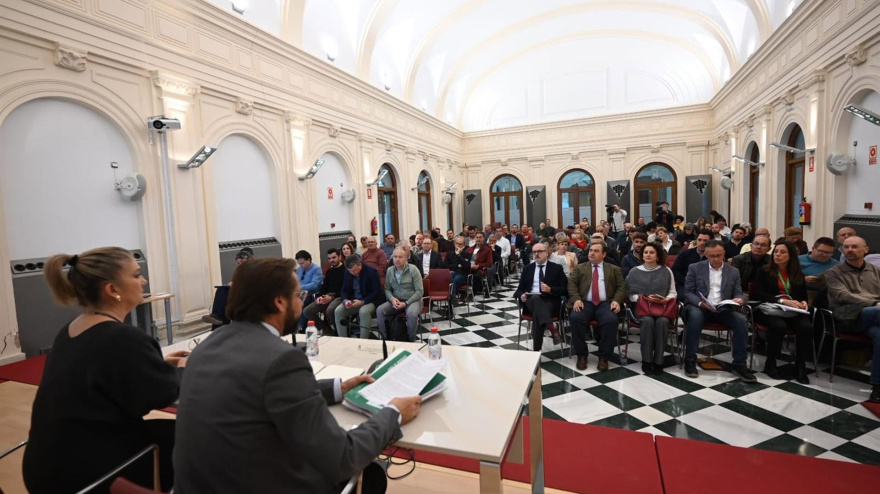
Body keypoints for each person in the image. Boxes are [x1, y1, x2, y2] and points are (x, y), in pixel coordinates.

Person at [173, 258, 421, 493]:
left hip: (200, 485)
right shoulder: (282, 360)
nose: (301, 304)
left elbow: (261, 393)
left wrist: (339, 388)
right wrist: (393, 413)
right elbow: (342, 457)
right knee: (371, 474)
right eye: (298, 296)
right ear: (280, 302)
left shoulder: (206, 345)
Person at [24, 247, 186, 494]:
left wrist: (156, 366)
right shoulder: (123, 338)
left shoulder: (71, 330)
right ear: (112, 289)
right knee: (195, 436)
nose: (143, 281)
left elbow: (103, 375)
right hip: (93, 476)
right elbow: (161, 396)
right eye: (136, 275)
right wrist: (183, 370)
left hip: (46, 467)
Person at [682, 240, 756, 382]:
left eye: (719, 255)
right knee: (695, 318)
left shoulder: (733, 271)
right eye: (712, 256)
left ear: (724, 254)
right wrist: (700, 303)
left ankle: (739, 364)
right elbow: (688, 292)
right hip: (700, 307)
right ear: (706, 255)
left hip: (722, 308)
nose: (716, 259)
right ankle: (690, 360)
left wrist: (739, 299)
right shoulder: (695, 268)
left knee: (741, 320)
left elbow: (738, 291)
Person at [826, 236, 880, 403]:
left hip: (874, 319)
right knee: (875, 311)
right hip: (848, 317)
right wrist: (874, 302)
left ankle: (877, 386)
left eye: (854, 246)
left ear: (866, 249)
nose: (849, 250)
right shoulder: (834, 272)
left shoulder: (875, 270)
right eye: (846, 247)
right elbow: (844, 296)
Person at [752, 242, 813, 384]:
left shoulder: (797, 274)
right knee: (779, 326)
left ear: (791, 256)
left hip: (791, 310)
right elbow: (758, 294)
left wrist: (804, 303)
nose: (777, 255)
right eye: (776, 252)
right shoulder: (763, 271)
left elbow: (803, 295)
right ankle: (770, 363)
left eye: (782, 252)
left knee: (806, 327)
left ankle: (800, 365)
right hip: (768, 309)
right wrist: (781, 301)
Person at [568, 243, 626, 371]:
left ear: (603, 254)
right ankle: (581, 355)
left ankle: (604, 357)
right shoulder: (580, 268)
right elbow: (572, 284)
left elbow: (621, 287)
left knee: (611, 320)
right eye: (590, 250)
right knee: (575, 318)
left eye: (596, 251)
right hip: (585, 302)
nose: (592, 253)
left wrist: (616, 301)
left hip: (605, 303)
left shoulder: (614, 269)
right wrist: (576, 299)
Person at [626, 242, 676, 375]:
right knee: (647, 321)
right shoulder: (634, 271)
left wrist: (665, 299)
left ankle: (659, 361)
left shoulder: (666, 270)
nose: (648, 255)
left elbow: (673, 292)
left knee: (662, 322)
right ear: (642, 255)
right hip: (642, 308)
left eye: (652, 252)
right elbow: (629, 294)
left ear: (658, 256)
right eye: (646, 252)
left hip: (662, 308)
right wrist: (643, 299)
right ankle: (647, 360)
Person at [514, 243, 568, 350]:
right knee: (535, 298)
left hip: (551, 302)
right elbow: (518, 290)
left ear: (547, 253)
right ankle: (553, 330)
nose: (536, 254)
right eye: (534, 252)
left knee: (537, 314)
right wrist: (521, 295)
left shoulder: (556, 268)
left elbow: (565, 289)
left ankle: (536, 351)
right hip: (530, 301)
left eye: (539, 251)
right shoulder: (528, 268)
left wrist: (550, 289)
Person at [377, 248, 424, 342]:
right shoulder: (390, 270)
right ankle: (384, 338)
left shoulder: (413, 269)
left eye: (400, 257)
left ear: (406, 258)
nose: (397, 259)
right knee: (380, 310)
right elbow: (387, 289)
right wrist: (392, 299)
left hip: (412, 300)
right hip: (396, 300)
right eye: (395, 257)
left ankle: (411, 339)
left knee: (411, 314)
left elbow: (419, 291)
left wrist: (406, 303)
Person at [202, 247, 256, 327]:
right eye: (238, 263)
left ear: (250, 259)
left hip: (252, 295)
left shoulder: (257, 269)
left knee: (227, 297)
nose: (240, 265)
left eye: (242, 262)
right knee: (222, 290)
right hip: (240, 294)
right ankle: (217, 317)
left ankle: (219, 320)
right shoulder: (240, 272)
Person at [334, 255, 383, 339]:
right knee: (338, 311)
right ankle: (343, 339)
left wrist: (363, 302)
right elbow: (344, 290)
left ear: (360, 265)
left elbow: (376, 292)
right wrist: (345, 300)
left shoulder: (372, 271)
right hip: (355, 299)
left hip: (370, 300)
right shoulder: (348, 272)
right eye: (350, 271)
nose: (352, 273)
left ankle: (363, 340)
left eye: (354, 270)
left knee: (363, 312)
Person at [303, 248, 346, 336]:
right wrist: (320, 296)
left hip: (339, 296)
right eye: (329, 258)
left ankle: (338, 332)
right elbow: (324, 286)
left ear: (340, 257)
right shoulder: (329, 271)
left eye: (334, 257)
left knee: (330, 310)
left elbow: (345, 289)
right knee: (307, 311)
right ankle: (326, 328)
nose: (331, 260)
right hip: (327, 296)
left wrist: (331, 297)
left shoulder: (346, 270)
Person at [671, 229, 712, 297]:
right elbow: (675, 270)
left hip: (707, 286)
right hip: (686, 284)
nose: (702, 243)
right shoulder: (685, 254)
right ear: (696, 240)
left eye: (705, 241)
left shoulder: (713, 257)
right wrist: (686, 282)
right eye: (699, 240)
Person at [295, 250, 324, 328]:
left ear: (308, 260)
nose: (301, 265)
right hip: (301, 293)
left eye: (302, 263)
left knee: (302, 303)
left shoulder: (316, 269)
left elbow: (314, 285)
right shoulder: (299, 270)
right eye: (299, 263)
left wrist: (300, 287)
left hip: (312, 294)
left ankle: (302, 327)